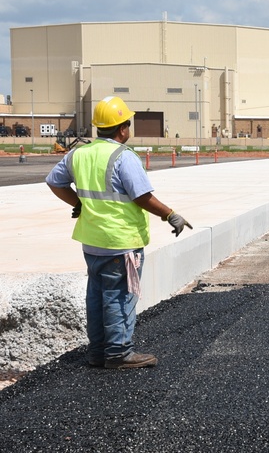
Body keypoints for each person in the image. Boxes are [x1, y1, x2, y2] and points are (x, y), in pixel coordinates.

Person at [46, 96, 192, 370]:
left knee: (97, 295)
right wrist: (170, 214)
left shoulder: (78, 153)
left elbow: (54, 182)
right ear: (122, 129)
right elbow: (142, 197)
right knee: (121, 296)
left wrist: (78, 203)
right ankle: (118, 353)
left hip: (92, 241)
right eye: (128, 123)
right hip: (121, 242)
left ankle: (98, 352)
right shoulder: (123, 157)